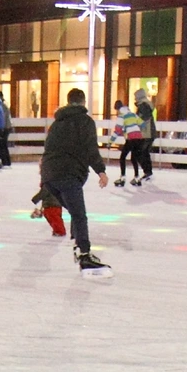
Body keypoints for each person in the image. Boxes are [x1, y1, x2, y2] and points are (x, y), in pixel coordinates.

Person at [41, 88, 113, 277]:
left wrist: (44, 178)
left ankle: (78, 247)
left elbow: (48, 150)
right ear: (83, 102)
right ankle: (84, 254)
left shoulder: (57, 123)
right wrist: (101, 171)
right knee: (80, 215)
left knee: (75, 212)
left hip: (50, 177)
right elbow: (90, 148)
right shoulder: (85, 122)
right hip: (68, 175)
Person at [113, 100, 145, 187]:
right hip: (138, 138)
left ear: (117, 109)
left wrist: (110, 141)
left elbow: (118, 130)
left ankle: (122, 178)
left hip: (131, 139)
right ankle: (137, 178)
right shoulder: (132, 114)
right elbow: (142, 124)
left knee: (122, 158)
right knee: (133, 159)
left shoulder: (121, 116)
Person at [134, 89, 156, 181]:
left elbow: (144, 117)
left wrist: (136, 121)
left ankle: (147, 171)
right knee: (145, 153)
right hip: (149, 132)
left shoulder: (143, 105)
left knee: (140, 153)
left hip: (146, 133)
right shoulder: (146, 104)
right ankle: (148, 172)